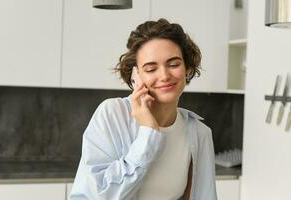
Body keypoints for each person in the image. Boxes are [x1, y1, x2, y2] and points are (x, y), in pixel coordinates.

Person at [70, 18, 217, 200]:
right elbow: (98, 196)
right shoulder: (112, 114)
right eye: (150, 68)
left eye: (173, 64)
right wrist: (148, 134)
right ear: (136, 75)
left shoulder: (199, 133)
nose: (164, 75)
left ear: (187, 68)